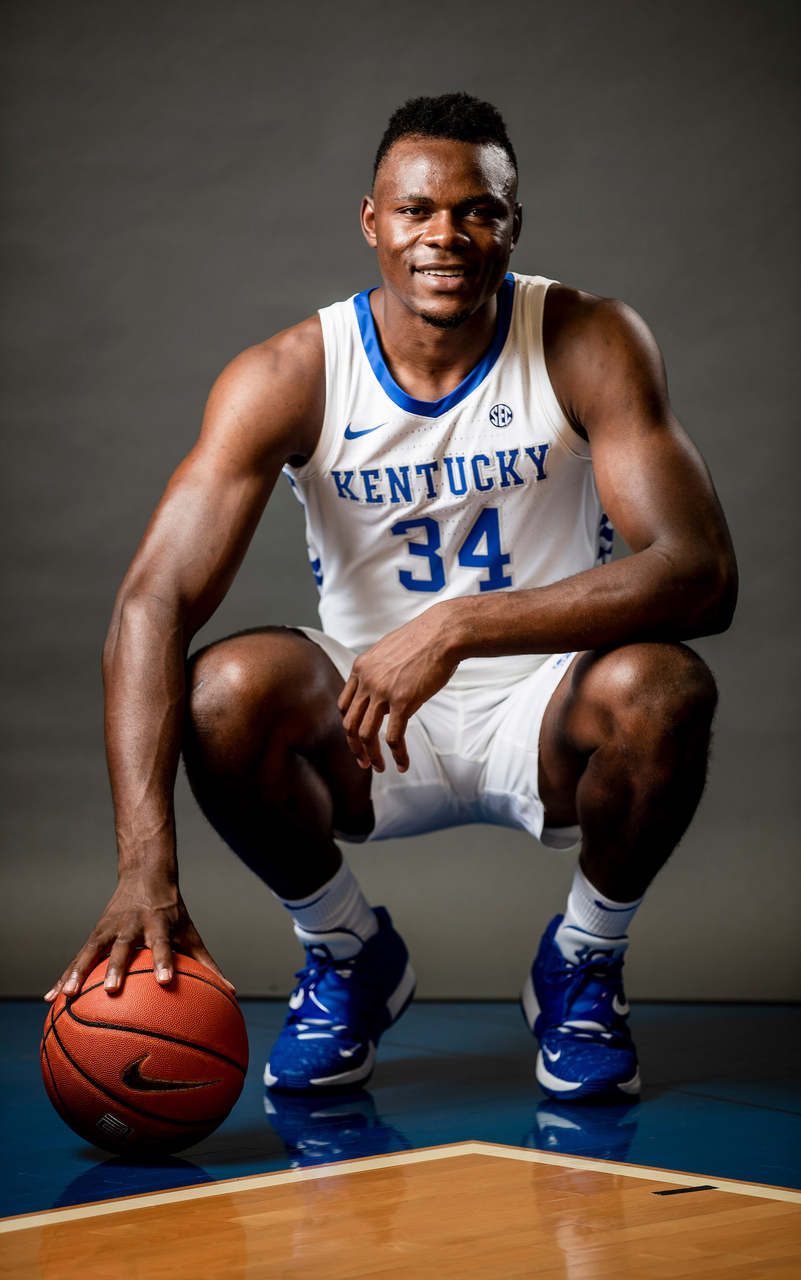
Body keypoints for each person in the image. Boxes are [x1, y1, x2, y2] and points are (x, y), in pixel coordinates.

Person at [45, 93, 737, 1104]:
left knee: (667, 690)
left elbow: (700, 570)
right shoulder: (290, 374)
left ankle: (583, 958)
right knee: (220, 693)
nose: (444, 235)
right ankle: (345, 951)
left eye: (476, 211)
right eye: (415, 211)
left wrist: (457, 625)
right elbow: (151, 601)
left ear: (512, 223)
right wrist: (144, 866)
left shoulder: (584, 337)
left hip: (547, 703)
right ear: (371, 221)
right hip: (372, 719)